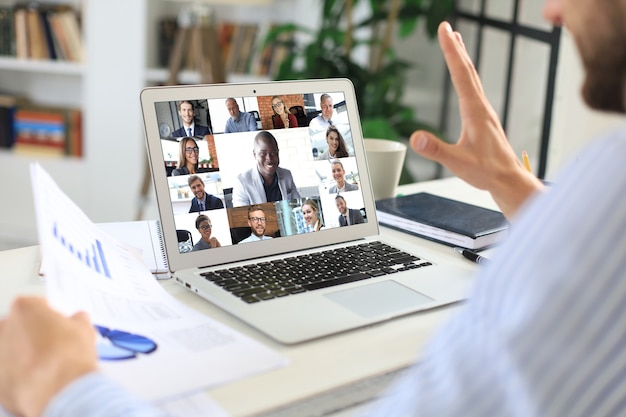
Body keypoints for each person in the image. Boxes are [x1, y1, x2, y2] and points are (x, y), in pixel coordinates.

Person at [6, 2, 626, 415]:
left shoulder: (611, 191)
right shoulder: (243, 183)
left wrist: (68, 387)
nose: (551, 10)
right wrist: (523, 196)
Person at [232, 131, 301, 206]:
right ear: (255, 155)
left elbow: (298, 205)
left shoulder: (287, 175)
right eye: (263, 154)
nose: (269, 158)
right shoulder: (242, 182)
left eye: (273, 153)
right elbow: (242, 216)